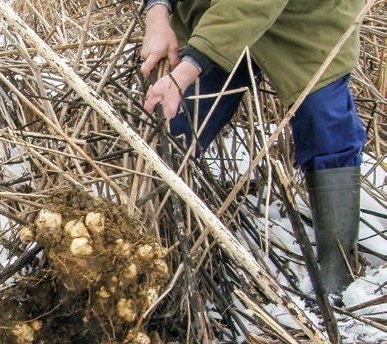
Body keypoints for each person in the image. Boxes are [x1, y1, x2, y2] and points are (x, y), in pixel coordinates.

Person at [140, 0, 366, 294]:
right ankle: (153, 255)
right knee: (177, 127)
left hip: (306, 20)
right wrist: (157, 11)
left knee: (325, 125)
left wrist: (190, 65)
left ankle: (338, 274)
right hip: (215, 15)